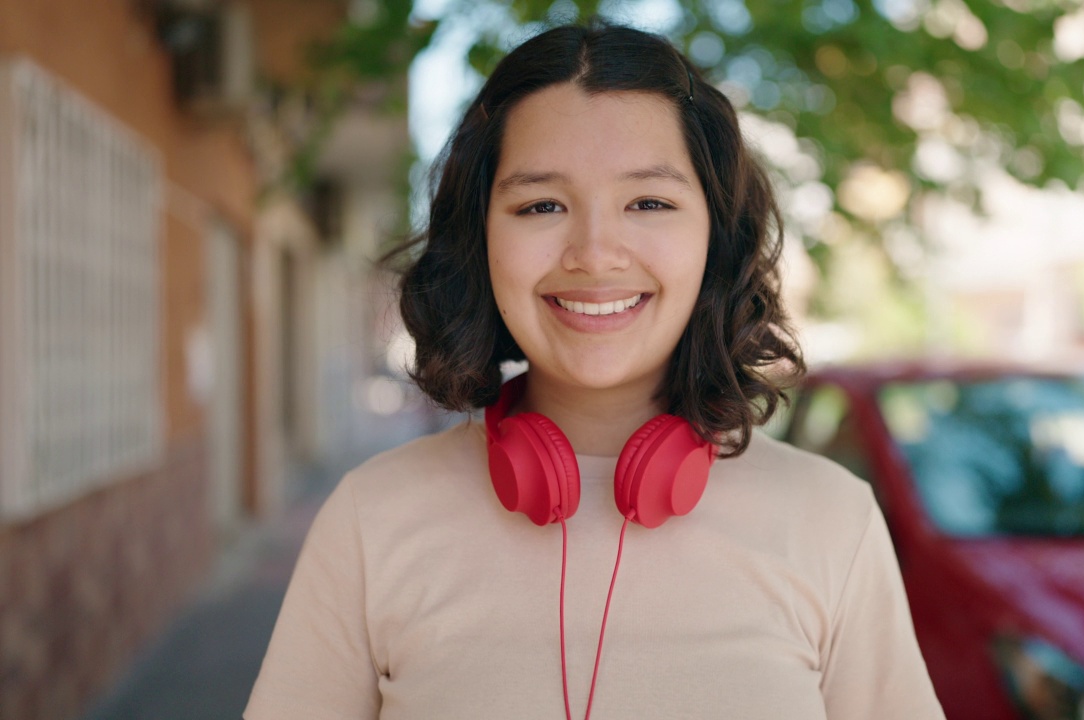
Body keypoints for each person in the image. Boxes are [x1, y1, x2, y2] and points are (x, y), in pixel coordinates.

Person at [244, 21, 943, 720]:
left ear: (716, 240)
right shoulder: (372, 519)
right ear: (479, 238)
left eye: (649, 203)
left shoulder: (830, 522)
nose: (595, 253)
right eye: (541, 205)